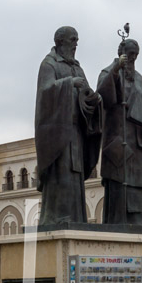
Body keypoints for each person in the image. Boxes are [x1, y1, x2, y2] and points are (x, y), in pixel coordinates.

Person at [35, 26, 102, 226]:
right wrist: (69, 83)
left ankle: (75, 218)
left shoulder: (77, 67)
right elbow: (45, 92)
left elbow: (86, 95)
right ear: (60, 42)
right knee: (61, 175)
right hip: (57, 133)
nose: (76, 44)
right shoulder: (49, 64)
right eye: (73, 40)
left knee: (74, 176)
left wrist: (94, 99)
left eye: (77, 40)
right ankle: (56, 217)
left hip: (76, 132)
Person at [96, 39, 142, 225]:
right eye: (130, 53)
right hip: (118, 138)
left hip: (139, 141)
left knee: (139, 181)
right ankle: (118, 220)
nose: (133, 57)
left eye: (136, 54)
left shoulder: (141, 81)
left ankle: (141, 220)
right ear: (121, 52)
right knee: (119, 180)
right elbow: (101, 97)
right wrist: (116, 69)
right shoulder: (108, 72)